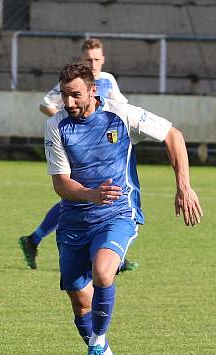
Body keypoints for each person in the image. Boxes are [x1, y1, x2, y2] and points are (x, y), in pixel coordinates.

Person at [44, 62, 203, 355]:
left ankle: (98, 346)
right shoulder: (56, 126)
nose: (69, 102)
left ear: (93, 91)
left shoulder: (121, 114)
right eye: (63, 96)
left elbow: (173, 135)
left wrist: (184, 186)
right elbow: (61, 184)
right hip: (74, 220)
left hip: (118, 213)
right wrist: (90, 194)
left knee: (104, 272)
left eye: (75, 95)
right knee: (79, 300)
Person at [21, 38, 137, 272]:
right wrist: (69, 119)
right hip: (78, 147)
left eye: (96, 59)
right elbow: (45, 104)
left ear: (103, 60)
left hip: (105, 147)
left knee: (110, 196)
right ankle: (37, 238)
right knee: (76, 195)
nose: (93, 64)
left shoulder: (108, 80)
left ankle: (112, 254)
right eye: (88, 60)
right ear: (81, 60)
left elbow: (121, 106)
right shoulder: (74, 85)